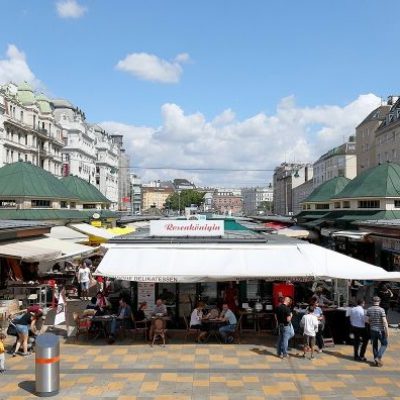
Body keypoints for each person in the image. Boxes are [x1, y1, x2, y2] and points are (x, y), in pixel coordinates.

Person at [366, 296, 389, 367]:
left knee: (375, 345)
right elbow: (384, 322)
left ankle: (376, 361)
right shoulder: (381, 310)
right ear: (379, 301)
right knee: (384, 344)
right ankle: (378, 357)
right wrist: (387, 331)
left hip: (372, 330)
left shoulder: (369, 309)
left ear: (373, 301)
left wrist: (372, 323)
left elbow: (367, 320)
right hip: (380, 330)